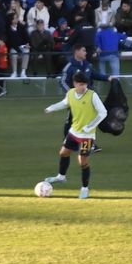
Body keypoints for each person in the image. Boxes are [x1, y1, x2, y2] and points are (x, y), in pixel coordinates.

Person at [43, 70, 106, 199]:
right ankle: (61, 177)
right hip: (74, 131)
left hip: (87, 136)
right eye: (80, 84)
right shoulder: (70, 94)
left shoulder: (92, 95)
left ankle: (84, 188)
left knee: (82, 161)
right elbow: (64, 103)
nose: (83, 87)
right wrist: (51, 108)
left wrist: (90, 126)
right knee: (63, 153)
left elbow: (103, 112)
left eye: (85, 84)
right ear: (74, 84)